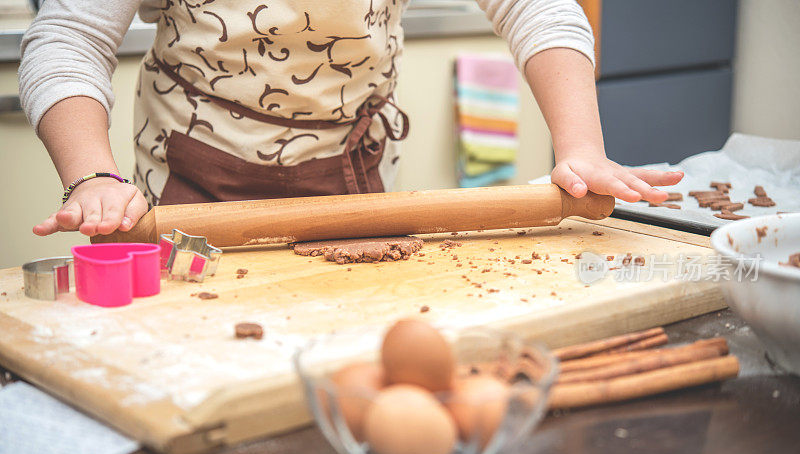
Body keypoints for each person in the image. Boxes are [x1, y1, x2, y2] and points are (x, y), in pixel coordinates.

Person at [20, 0, 682, 238]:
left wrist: (581, 146)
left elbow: (537, 8)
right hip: (190, 190)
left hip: (353, 182)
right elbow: (68, 37)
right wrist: (92, 176)